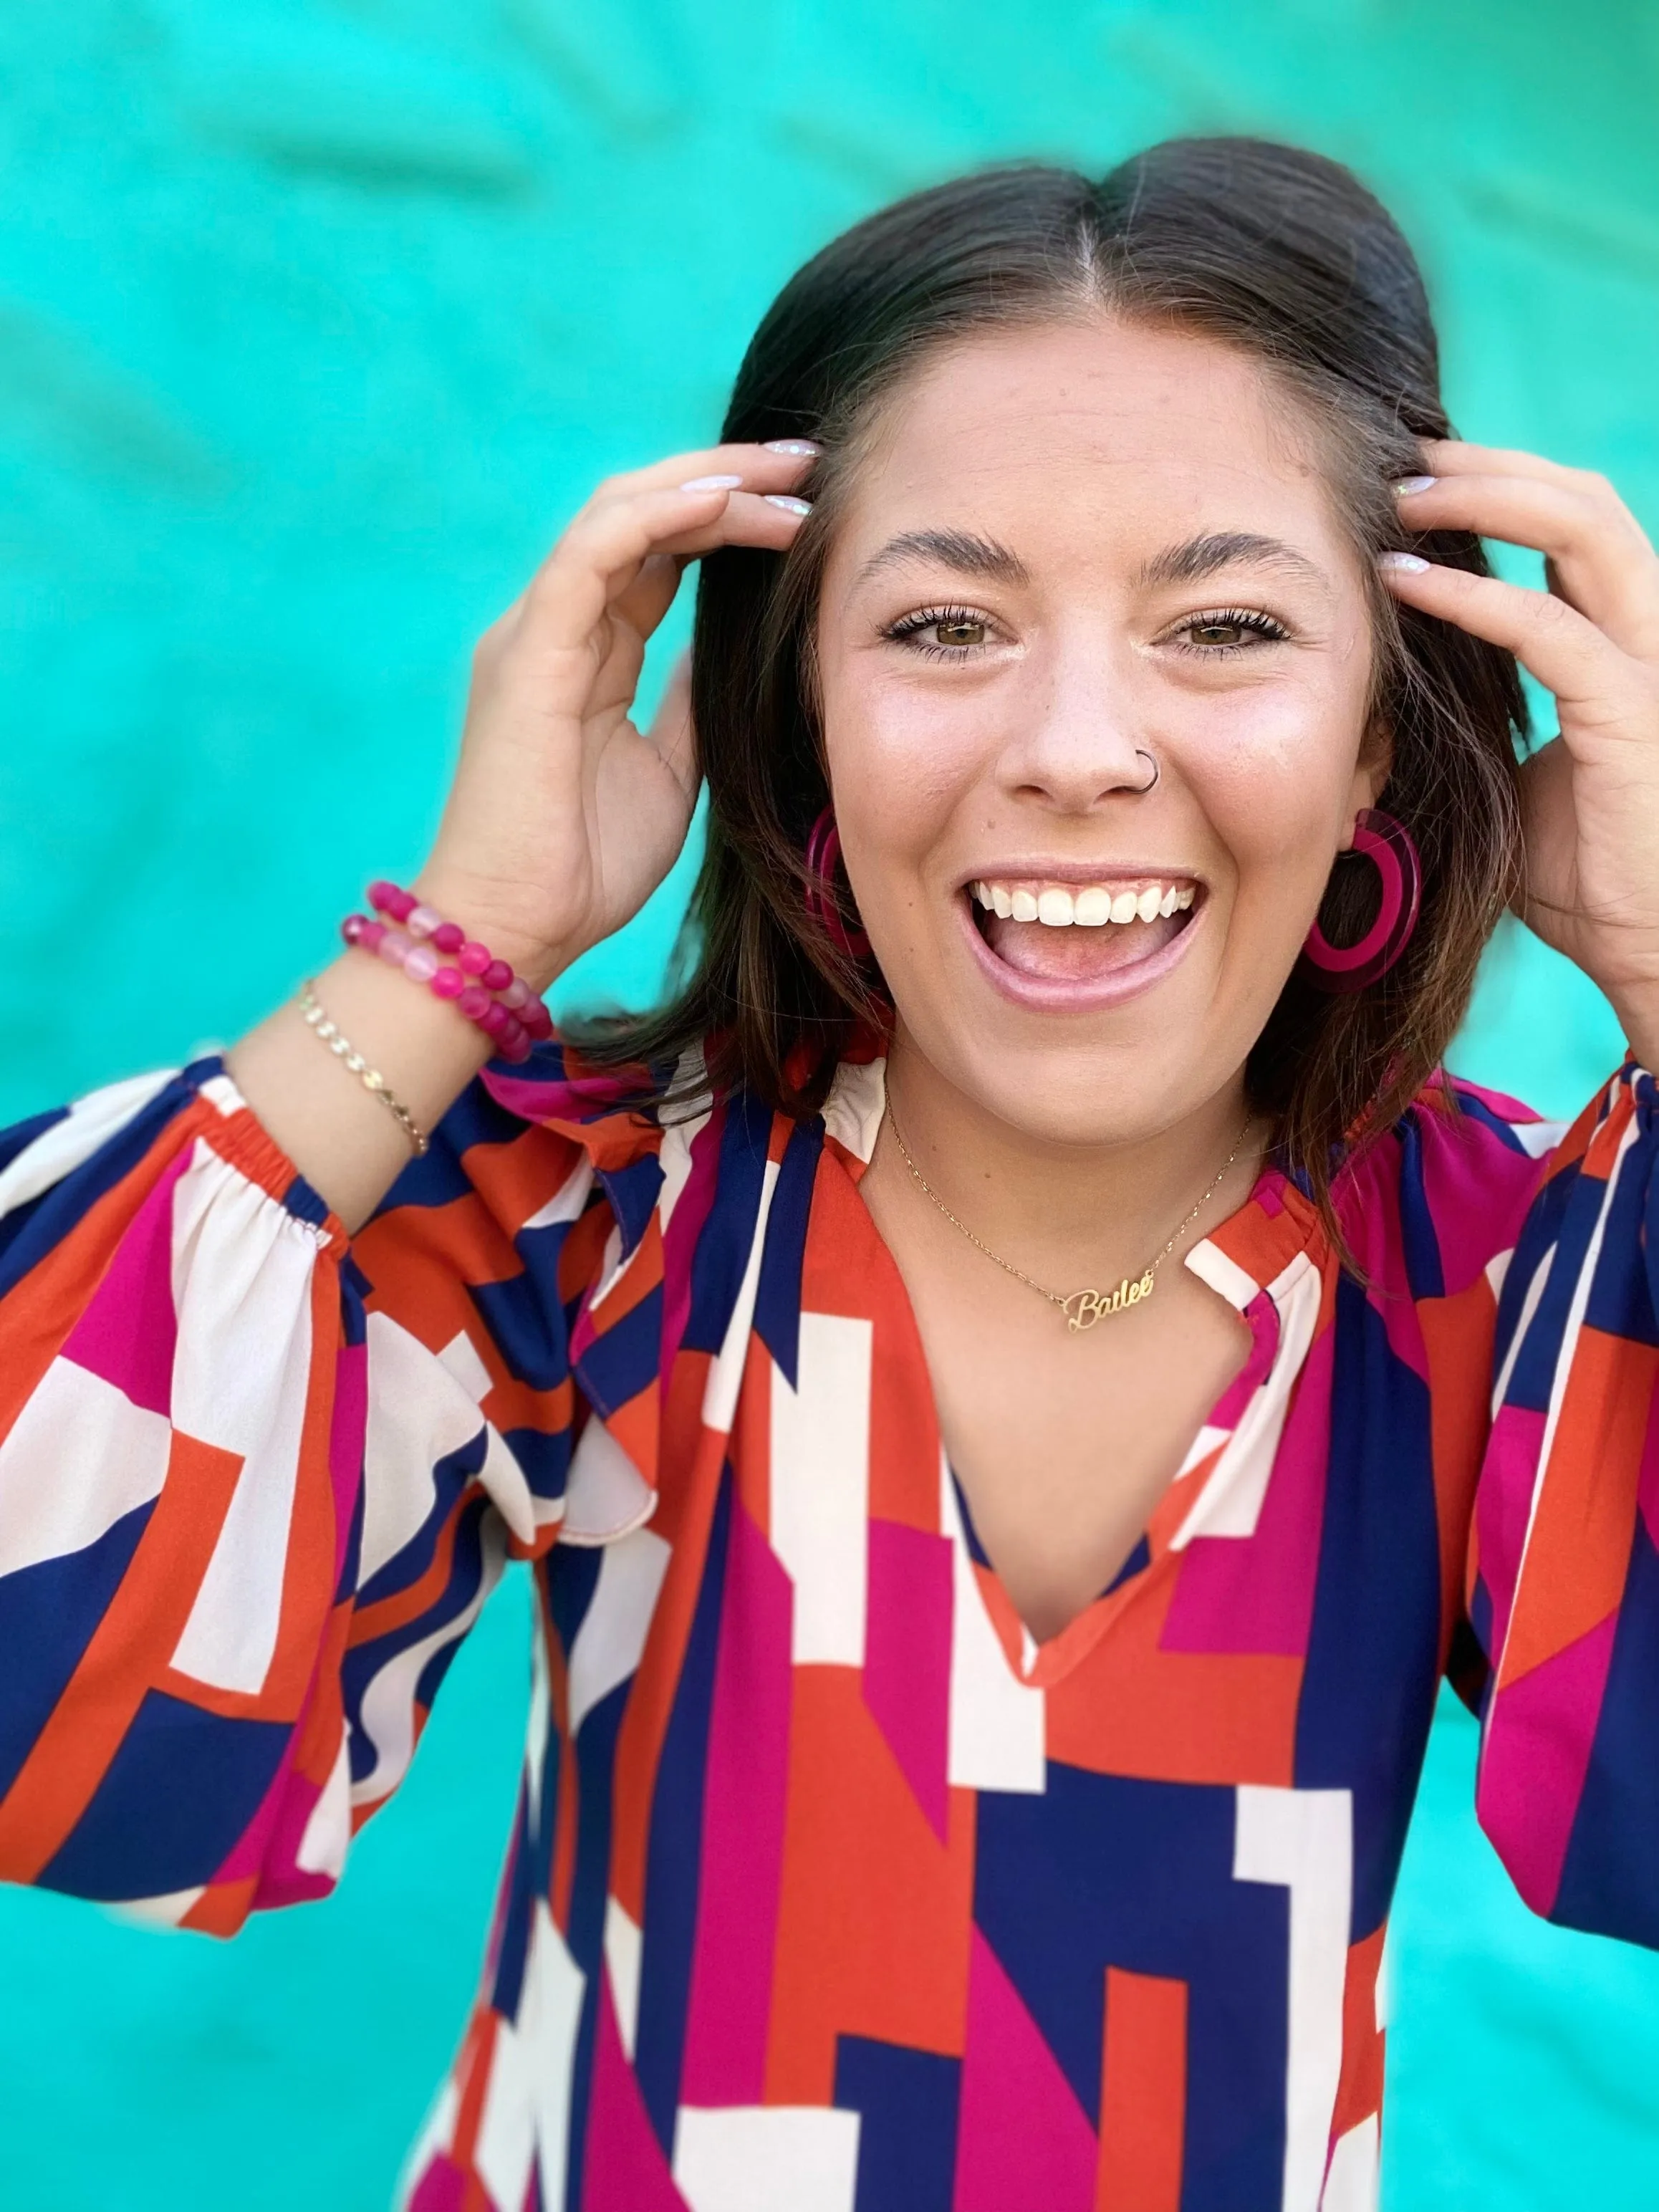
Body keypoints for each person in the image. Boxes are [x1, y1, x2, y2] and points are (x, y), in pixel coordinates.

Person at [3, 133, 1658, 2211]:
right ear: (794, 703)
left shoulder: (1502, 1285)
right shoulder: (595, 1229)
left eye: (1224, 624)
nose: (1072, 746)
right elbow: (52, 1701)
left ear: (1371, 743)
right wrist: (466, 933)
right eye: (944, 626)